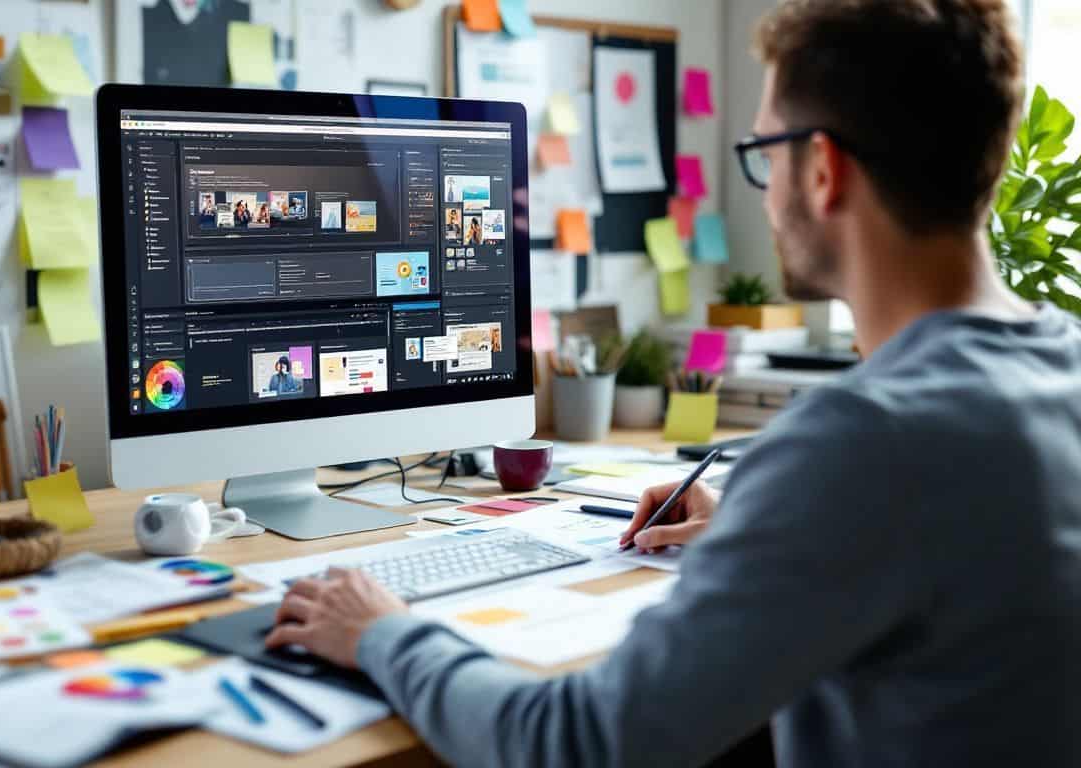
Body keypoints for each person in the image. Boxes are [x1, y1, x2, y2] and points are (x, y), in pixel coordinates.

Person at [265, 2, 1081, 766]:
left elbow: (576, 743)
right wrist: (768, 531)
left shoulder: (867, 444)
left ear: (823, 169)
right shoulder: (1061, 367)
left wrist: (380, 632)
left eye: (764, 153)